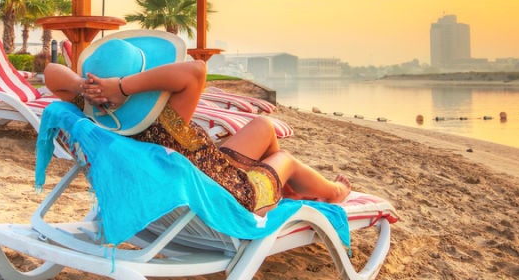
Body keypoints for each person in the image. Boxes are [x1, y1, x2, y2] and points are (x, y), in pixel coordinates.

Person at [44, 54, 351, 215]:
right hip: (227, 196)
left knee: (264, 126)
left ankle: (283, 188)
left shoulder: (98, 121)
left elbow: (51, 74)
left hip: (211, 171)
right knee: (286, 158)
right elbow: (196, 70)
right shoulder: (164, 121)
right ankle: (333, 193)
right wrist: (122, 87)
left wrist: (87, 88)